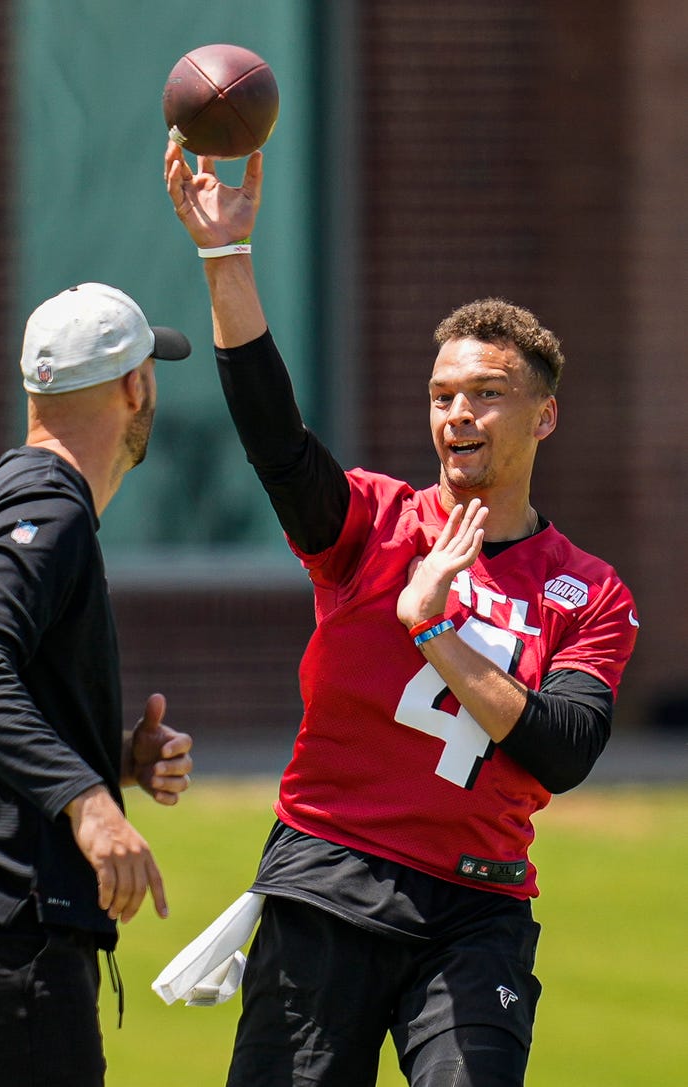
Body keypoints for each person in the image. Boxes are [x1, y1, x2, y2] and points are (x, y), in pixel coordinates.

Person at [164, 142, 638, 1087]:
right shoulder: (376, 522)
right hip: (328, 879)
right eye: (443, 395)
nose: (459, 413)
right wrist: (227, 257)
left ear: (543, 416)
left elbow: (563, 749)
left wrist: (434, 631)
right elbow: (276, 443)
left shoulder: (590, 590)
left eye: (488, 395)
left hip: (478, 909)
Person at [0, 282, 195, 1087]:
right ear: (135, 388)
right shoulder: (47, 508)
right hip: (2, 922)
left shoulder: (15, 494)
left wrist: (111, 753)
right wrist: (89, 803)